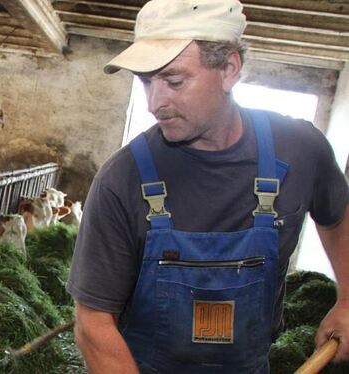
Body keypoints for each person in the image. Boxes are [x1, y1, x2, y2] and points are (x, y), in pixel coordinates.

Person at [65, 0, 349, 372]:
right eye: (146, 82)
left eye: (174, 80)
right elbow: (93, 325)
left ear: (229, 68)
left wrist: (347, 301)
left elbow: (336, 217)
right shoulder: (122, 179)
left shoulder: (300, 150)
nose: (154, 103)